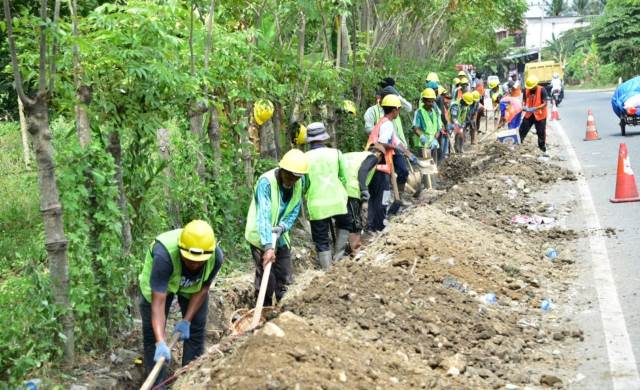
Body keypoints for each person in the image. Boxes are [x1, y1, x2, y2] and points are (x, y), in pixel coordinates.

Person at [138, 220, 224, 386]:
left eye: (199, 262)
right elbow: (158, 303)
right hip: (158, 288)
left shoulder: (216, 257)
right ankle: (157, 385)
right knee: (152, 336)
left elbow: (203, 289)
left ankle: (190, 381)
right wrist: (160, 342)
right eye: (189, 260)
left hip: (192, 287)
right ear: (181, 250)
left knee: (196, 330)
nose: (194, 264)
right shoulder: (164, 255)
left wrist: (186, 321)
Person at [245, 148, 309, 305]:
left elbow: (294, 209)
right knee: (268, 279)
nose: (291, 180)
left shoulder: (300, 183)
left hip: (280, 236)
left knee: (285, 275)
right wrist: (268, 246)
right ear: (282, 169)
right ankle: (263, 310)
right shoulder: (265, 183)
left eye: (296, 178)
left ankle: (283, 311)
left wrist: (283, 227)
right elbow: (263, 215)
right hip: (260, 235)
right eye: (289, 176)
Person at [303, 122, 350, 270]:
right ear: (324, 138)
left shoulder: (304, 158)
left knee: (321, 239)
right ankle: (339, 256)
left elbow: (303, 184)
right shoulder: (336, 153)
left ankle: (327, 270)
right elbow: (344, 178)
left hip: (317, 205)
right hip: (337, 200)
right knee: (344, 224)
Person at [337, 144, 385, 259]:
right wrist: (364, 191)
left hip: (337, 189)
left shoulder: (351, 155)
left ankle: (339, 254)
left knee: (342, 221)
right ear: (379, 153)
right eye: (380, 160)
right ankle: (356, 251)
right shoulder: (372, 157)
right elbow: (363, 171)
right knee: (354, 222)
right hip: (351, 190)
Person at [364, 94, 405, 231]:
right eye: (398, 109)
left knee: (374, 197)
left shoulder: (383, 122)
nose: (399, 112)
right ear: (394, 110)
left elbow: (394, 140)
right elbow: (382, 143)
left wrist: (407, 152)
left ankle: (371, 226)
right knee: (383, 198)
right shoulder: (387, 124)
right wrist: (396, 148)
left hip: (373, 166)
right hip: (380, 167)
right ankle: (379, 225)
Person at [519, 75, 548, 154]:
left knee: (541, 133)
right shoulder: (526, 90)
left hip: (540, 115)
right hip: (529, 114)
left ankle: (542, 149)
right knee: (522, 130)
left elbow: (545, 103)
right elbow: (524, 100)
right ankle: (518, 146)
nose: (530, 88)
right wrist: (524, 106)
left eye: (532, 87)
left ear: (535, 85)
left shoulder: (542, 90)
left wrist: (536, 108)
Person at [412, 88, 442, 161]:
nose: (431, 104)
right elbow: (415, 128)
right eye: (429, 101)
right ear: (424, 101)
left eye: (432, 101)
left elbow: (438, 128)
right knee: (426, 165)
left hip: (433, 144)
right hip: (423, 144)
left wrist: (435, 139)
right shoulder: (419, 112)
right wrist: (421, 135)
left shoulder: (435, 112)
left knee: (434, 165)